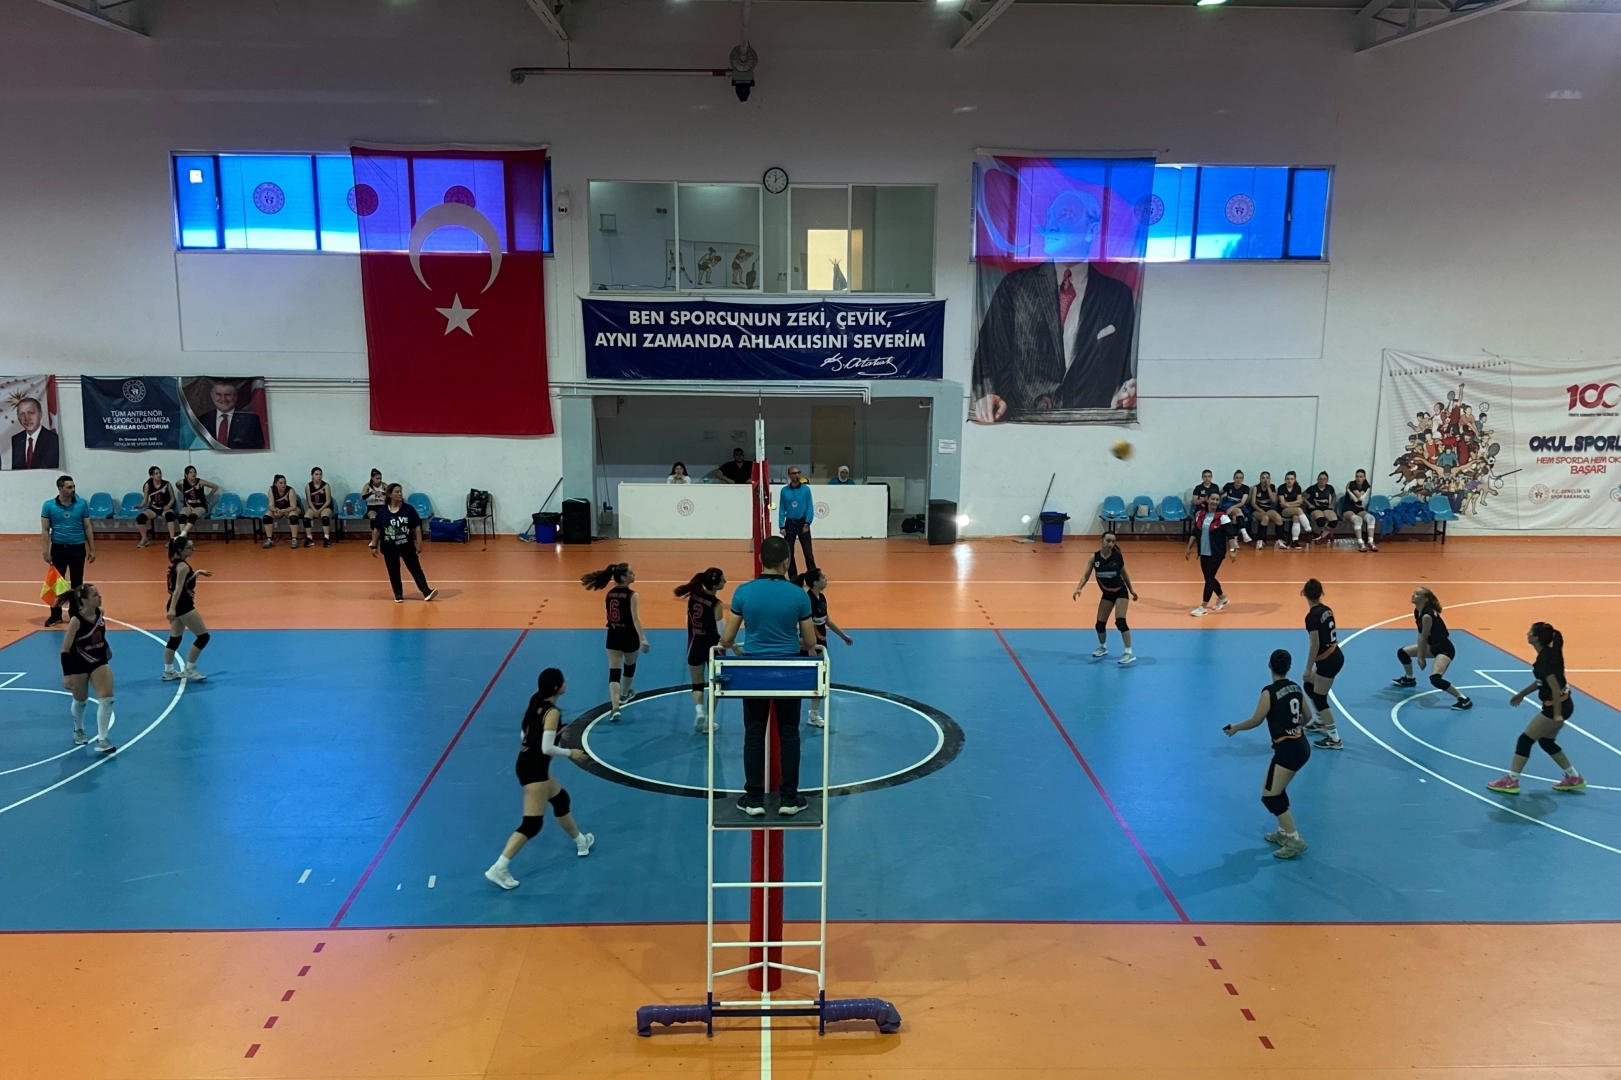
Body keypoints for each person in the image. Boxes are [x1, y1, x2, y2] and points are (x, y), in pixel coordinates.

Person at [969, 191, 1137, 420]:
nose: (1052, 226)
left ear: (1091, 230)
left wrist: (1125, 391)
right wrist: (987, 394)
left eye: (1066, 216)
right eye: (1051, 217)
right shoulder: (1016, 287)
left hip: (1089, 424)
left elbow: (1123, 366)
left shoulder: (1117, 296)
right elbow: (989, 352)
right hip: (1023, 422)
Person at [718, 535, 818, 818]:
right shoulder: (799, 595)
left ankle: (753, 799)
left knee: (753, 732)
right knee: (789, 733)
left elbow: (727, 638)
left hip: (754, 672)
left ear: (761, 559)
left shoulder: (743, 593)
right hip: (788, 673)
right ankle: (789, 798)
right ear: (787, 562)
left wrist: (736, 645)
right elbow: (810, 642)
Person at [484, 668, 594, 890]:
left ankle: (581, 842)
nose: (566, 681)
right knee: (532, 824)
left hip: (528, 763)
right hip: (535, 770)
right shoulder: (552, 713)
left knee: (561, 800)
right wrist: (571, 752)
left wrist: (556, 733)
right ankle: (499, 867)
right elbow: (546, 748)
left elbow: (525, 733)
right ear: (557, 688)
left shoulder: (536, 701)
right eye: (563, 680)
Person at [1223, 648, 1311, 860]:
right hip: (1301, 746)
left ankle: (1294, 839)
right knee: (1278, 789)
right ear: (1289, 667)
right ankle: (1283, 832)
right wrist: (1294, 728)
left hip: (1287, 751)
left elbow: (1256, 720)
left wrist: (1236, 727)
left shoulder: (1269, 692)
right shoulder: (1295, 687)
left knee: (1270, 797)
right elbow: (1307, 716)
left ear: (1269, 665)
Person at [1488, 622, 1585, 794]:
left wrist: (1557, 716)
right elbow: (1543, 681)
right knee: (1546, 741)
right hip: (1566, 703)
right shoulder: (1551, 652)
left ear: (1536, 638)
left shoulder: (1543, 662)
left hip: (1555, 707)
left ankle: (1512, 781)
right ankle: (1573, 777)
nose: (1527, 634)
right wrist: (1522, 693)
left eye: (1530, 632)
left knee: (1525, 740)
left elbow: (1554, 687)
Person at [581, 563, 647, 720]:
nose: (634, 575)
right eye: (631, 573)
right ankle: (624, 694)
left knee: (614, 673)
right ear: (623, 577)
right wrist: (643, 638)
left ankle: (615, 707)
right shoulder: (632, 595)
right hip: (629, 635)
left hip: (613, 635)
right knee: (629, 667)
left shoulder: (609, 594)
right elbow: (635, 619)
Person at [1391, 587, 1471, 709]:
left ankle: (1464, 699)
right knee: (1402, 653)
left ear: (1425, 599)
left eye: (1417, 594)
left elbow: (1423, 637)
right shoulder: (1418, 611)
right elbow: (1421, 634)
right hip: (1432, 646)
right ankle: (1409, 679)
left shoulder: (1427, 616)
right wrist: (1421, 654)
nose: (1413, 595)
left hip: (1444, 649)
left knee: (1435, 679)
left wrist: (1421, 657)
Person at [60, 583, 116, 754]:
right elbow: (65, 649)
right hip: (79, 662)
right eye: (95, 595)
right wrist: (67, 675)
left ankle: (103, 739)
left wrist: (106, 646)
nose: (100, 597)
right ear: (84, 600)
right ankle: (78, 729)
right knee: (80, 700)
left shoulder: (100, 613)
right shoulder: (76, 621)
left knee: (107, 697)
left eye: (98, 594)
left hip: (98, 660)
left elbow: (100, 634)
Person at [1072, 530, 1138, 665]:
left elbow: (1124, 574)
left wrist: (1131, 590)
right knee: (1099, 624)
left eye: (1113, 541)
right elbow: (1086, 575)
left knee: (1120, 621)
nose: (1110, 544)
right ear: (1101, 541)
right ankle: (1103, 647)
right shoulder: (1094, 558)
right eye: (1108, 541)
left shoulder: (1117, 557)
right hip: (1107, 594)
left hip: (1120, 592)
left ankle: (1129, 652)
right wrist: (1079, 588)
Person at [676, 567, 729, 733]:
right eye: (723, 580)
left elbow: (688, 619)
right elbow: (721, 631)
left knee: (697, 684)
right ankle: (708, 720)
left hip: (695, 644)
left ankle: (699, 711)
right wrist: (732, 646)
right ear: (715, 585)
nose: (725, 581)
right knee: (715, 684)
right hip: (713, 648)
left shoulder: (694, 596)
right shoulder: (716, 604)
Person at [41, 475, 95, 627]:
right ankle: (55, 615)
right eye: (69, 487)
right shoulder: (48, 506)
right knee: (57, 583)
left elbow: (87, 527)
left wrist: (92, 549)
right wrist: (45, 551)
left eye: (73, 487)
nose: (73, 490)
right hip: (58, 549)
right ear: (60, 489)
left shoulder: (81, 504)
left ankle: (75, 614)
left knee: (77, 583)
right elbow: (45, 529)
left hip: (77, 548)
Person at [801, 567, 852, 726]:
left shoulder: (821, 597)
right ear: (815, 582)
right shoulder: (808, 601)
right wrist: (810, 648)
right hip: (809, 646)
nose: (826, 579)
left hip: (821, 644)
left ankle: (813, 714)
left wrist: (843, 636)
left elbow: (827, 620)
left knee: (820, 679)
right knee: (806, 680)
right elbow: (805, 626)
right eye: (823, 577)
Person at [370, 483, 437, 603]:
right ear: (390, 495)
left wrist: (419, 543)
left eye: (400, 491)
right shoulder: (382, 511)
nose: (400, 494)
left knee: (415, 568)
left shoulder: (408, 509)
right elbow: (377, 529)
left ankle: (426, 591)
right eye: (396, 492)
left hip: (407, 545)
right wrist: (374, 545)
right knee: (393, 570)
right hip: (389, 547)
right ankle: (398, 594)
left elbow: (417, 527)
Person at [1300, 579, 1343, 749]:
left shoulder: (1312, 616)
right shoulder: (1327, 610)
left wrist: (1308, 668)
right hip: (1333, 654)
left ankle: (1334, 738)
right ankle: (1320, 721)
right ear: (1321, 593)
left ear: (1304, 594)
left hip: (1328, 660)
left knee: (1320, 698)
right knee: (1309, 685)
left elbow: (1315, 644)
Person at [163, 536, 212, 682]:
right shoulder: (183, 567)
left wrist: (196, 573)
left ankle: (168, 671)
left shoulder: (174, 563)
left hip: (175, 603)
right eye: (189, 548)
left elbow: (183, 583)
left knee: (175, 638)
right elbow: (178, 589)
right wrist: (172, 609)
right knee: (203, 637)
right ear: (180, 550)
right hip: (183, 605)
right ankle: (190, 668)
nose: (193, 550)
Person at [1184, 502, 1233, 617]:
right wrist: (1188, 548)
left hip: (1217, 553)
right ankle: (1222, 598)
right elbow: (1195, 533)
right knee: (1209, 577)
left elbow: (1230, 534)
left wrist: (1232, 550)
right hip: (1204, 552)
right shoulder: (1201, 515)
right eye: (1212, 499)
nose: (1214, 502)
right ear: (1208, 501)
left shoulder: (1222, 516)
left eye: (1217, 499)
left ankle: (1203, 607)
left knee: (1209, 579)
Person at [197, 380, 265, 450]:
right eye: (218, 394)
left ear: (235, 396)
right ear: (212, 396)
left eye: (227, 395)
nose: (223, 399)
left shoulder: (250, 420)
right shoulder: (203, 420)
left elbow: (258, 448)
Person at [778, 465, 816, 581]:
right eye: (794, 473)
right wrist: (781, 525)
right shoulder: (784, 491)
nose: (797, 475)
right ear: (789, 475)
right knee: (789, 552)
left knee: (808, 552)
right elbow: (782, 508)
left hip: (802, 523)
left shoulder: (806, 490)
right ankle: (793, 576)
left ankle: (812, 576)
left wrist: (807, 523)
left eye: (799, 473)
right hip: (790, 524)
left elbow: (810, 507)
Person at [10, 396, 60, 470]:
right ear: (18, 417)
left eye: (31, 413)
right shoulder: (17, 440)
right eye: (22, 414)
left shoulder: (53, 440)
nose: (27, 418)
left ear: (40, 414)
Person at [135, 465, 178, 549]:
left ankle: (172, 539)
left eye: (160, 473)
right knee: (140, 518)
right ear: (152, 476)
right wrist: (141, 506)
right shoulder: (148, 485)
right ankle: (144, 538)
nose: (159, 475)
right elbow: (145, 499)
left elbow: (172, 498)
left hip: (165, 507)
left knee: (170, 516)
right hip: (154, 507)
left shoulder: (167, 484)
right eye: (156, 473)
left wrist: (168, 505)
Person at [263, 474, 304, 549]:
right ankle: (269, 539)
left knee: (293, 516)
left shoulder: (290, 490)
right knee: (267, 517)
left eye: (284, 483)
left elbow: (293, 506)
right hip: (278, 509)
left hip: (291, 508)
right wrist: (275, 510)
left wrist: (282, 511)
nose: (283, 485)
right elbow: (271, 505)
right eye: (281, 483)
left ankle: (294, 539)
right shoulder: (271, 490)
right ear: (276, 484)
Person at [175, 466, 218, 537]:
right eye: (191, 472)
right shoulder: (183, 482)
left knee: (192, 516)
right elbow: (177, 484)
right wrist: (183, 492)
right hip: (188, 505)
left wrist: (208, 497)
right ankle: (184, 537)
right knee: (181, 517)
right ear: (186, 474)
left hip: (200, 505)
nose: (193, 474)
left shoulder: (200, 482)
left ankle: (182, 535)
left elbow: (215, 486)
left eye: (194, 472)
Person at [1344, 469, 1379, 552]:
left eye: (1361, 477)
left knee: (1371, 518)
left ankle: (1370, 542)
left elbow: (1360, 498)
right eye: (1357, 476)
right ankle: (1360, 542)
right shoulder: (1352, 484)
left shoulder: (1365, 484)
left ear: (1364, 477)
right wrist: (1348, 490)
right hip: (1348, 509)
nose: (1358, 479)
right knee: (1357, 519)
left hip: (1359, 508)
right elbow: (1359, 497)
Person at [1219, 470, 1254, 547]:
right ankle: (1244, 534)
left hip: (1239, 507)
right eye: (1237, 478)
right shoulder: (1228, 486)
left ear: (1243, 479)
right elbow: (1219, 494)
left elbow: (1242, 502)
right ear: (1234, 478)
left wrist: (1232, 508)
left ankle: (1234, 540)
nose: (1238, 480)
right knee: (1237, 512)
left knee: (1235, 517)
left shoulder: (1245, 488)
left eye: (1240, 478)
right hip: (1228, 507)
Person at [1250, 472, 1283, 550]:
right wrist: (1261, 511)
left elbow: (1273, 500)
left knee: (1278, 518)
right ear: (1260, 479)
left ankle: (1279, 540)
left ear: (1269, 479)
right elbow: (1253, 503)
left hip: (1268, 509)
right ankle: (1260, 540)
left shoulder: (1272, 487)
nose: (1265, 480)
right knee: (1265, 518)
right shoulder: (1256, 488)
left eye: (1267, 478)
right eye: (1263, 478)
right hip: (1257, 509)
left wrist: (1268, 488)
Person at [303, 467, 334, 548]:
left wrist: (320, 510)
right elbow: (309, 500)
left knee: (325, 518)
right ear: (312, 475)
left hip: (325, 506)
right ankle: (309, 538)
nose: (318, 476)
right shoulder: (308, 486)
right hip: (313, 506)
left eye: (320, 474)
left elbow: (328, 501)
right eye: (316, 474)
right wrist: (314, 510)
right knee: (306, 519)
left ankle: (326, 538)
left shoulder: (326, 486)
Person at [1277, 471, 1309, 549]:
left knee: (1296, 516)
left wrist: (1288, 504)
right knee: (1298, 510)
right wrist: (1293, 503)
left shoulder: (1297, 488)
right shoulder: (1281, 488)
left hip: (1292, 509)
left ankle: (1294, 541)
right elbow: (1282, 504)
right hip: (1283, 511)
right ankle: (1309, 530)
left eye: (1291, 479)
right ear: (1285, 480)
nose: (1289, 481)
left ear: (1294, 480)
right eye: (1287, 479)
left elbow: (1300, 502)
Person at [1305, 472, 1338, 543]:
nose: (1322, 481)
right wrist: (1309, 504)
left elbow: (1334, 496)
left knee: (1334, 522)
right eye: (1320, 479)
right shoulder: (1312, 488)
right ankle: (1324, 535)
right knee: (1321, 521)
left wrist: (1332, 504)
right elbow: (1302, 496)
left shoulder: (1330, 488)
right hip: (1315, 508)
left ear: (1327, 480)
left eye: (1324, 479)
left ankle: (1322, 535)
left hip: (1326, 508)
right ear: (1317, 480)